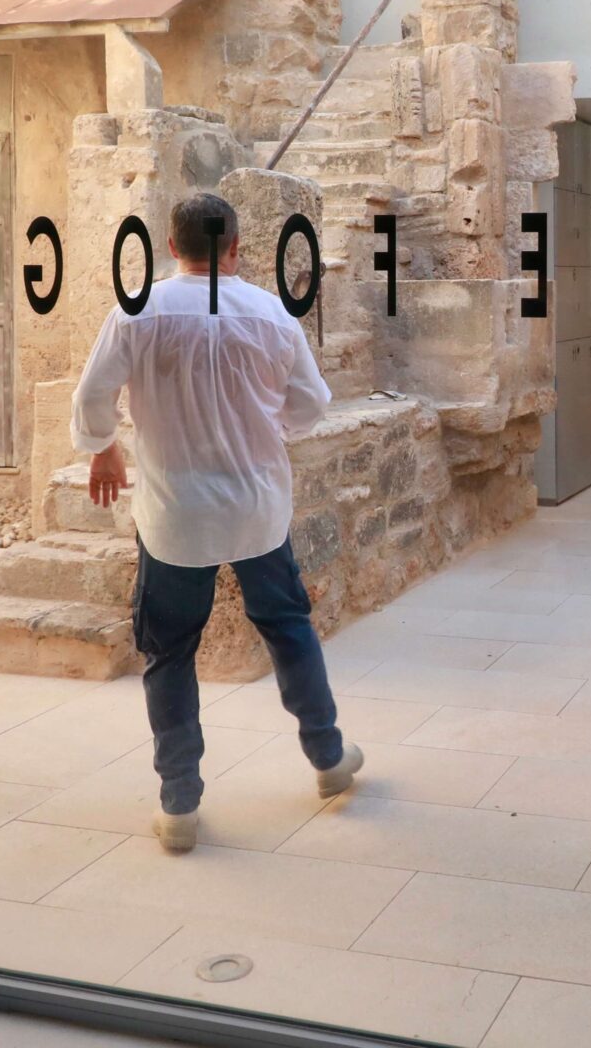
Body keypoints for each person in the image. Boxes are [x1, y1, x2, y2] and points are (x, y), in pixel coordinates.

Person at [73, 193, 362, 853]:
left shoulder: (138, 310)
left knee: (170, 650)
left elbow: (92, 395)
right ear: (235, 248)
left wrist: (104, 446)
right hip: (258, 507)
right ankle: (328, 758)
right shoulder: (272, 315)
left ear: (172, 246)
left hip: (176, 516)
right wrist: (263, 433)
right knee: (289, 628)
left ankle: (179, 803)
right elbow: (312, 404)